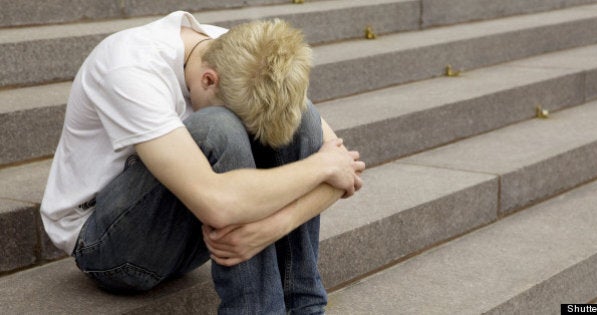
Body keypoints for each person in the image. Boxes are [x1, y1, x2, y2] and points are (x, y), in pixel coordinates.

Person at [40, 11, 365, 314]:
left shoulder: (242, 55)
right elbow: (218, 203)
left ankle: (304, 308)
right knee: (219, 128)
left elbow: (346, 169)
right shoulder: (128, 67)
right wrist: (320, 167)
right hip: (108, 246)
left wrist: (269, 228)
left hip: (199, 235)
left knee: (304, 120)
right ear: (209, 79)